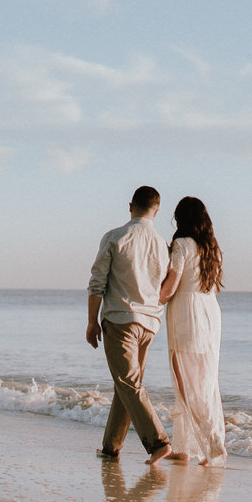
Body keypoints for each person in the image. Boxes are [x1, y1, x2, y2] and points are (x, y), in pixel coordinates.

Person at [87, 185, 173, 464]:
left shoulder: (115, 237)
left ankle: (159, 442)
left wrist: (91, 322)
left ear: (130, 206)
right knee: (126, 386)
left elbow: (97, 283)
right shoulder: (162, 244)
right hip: (149, 323)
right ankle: (111, 448)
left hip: (121, 319)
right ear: (156, 211)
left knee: (128, 383)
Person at [158, 196, 226, 466]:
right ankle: (185, 448)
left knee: (185, 382)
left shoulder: (181, 245)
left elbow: (170, 288)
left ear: (180, 220)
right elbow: (213, 287)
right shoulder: (213, 248)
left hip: (187, 312)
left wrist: (150, 299)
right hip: (210, 312)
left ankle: (213, 443)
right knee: (205, 381)